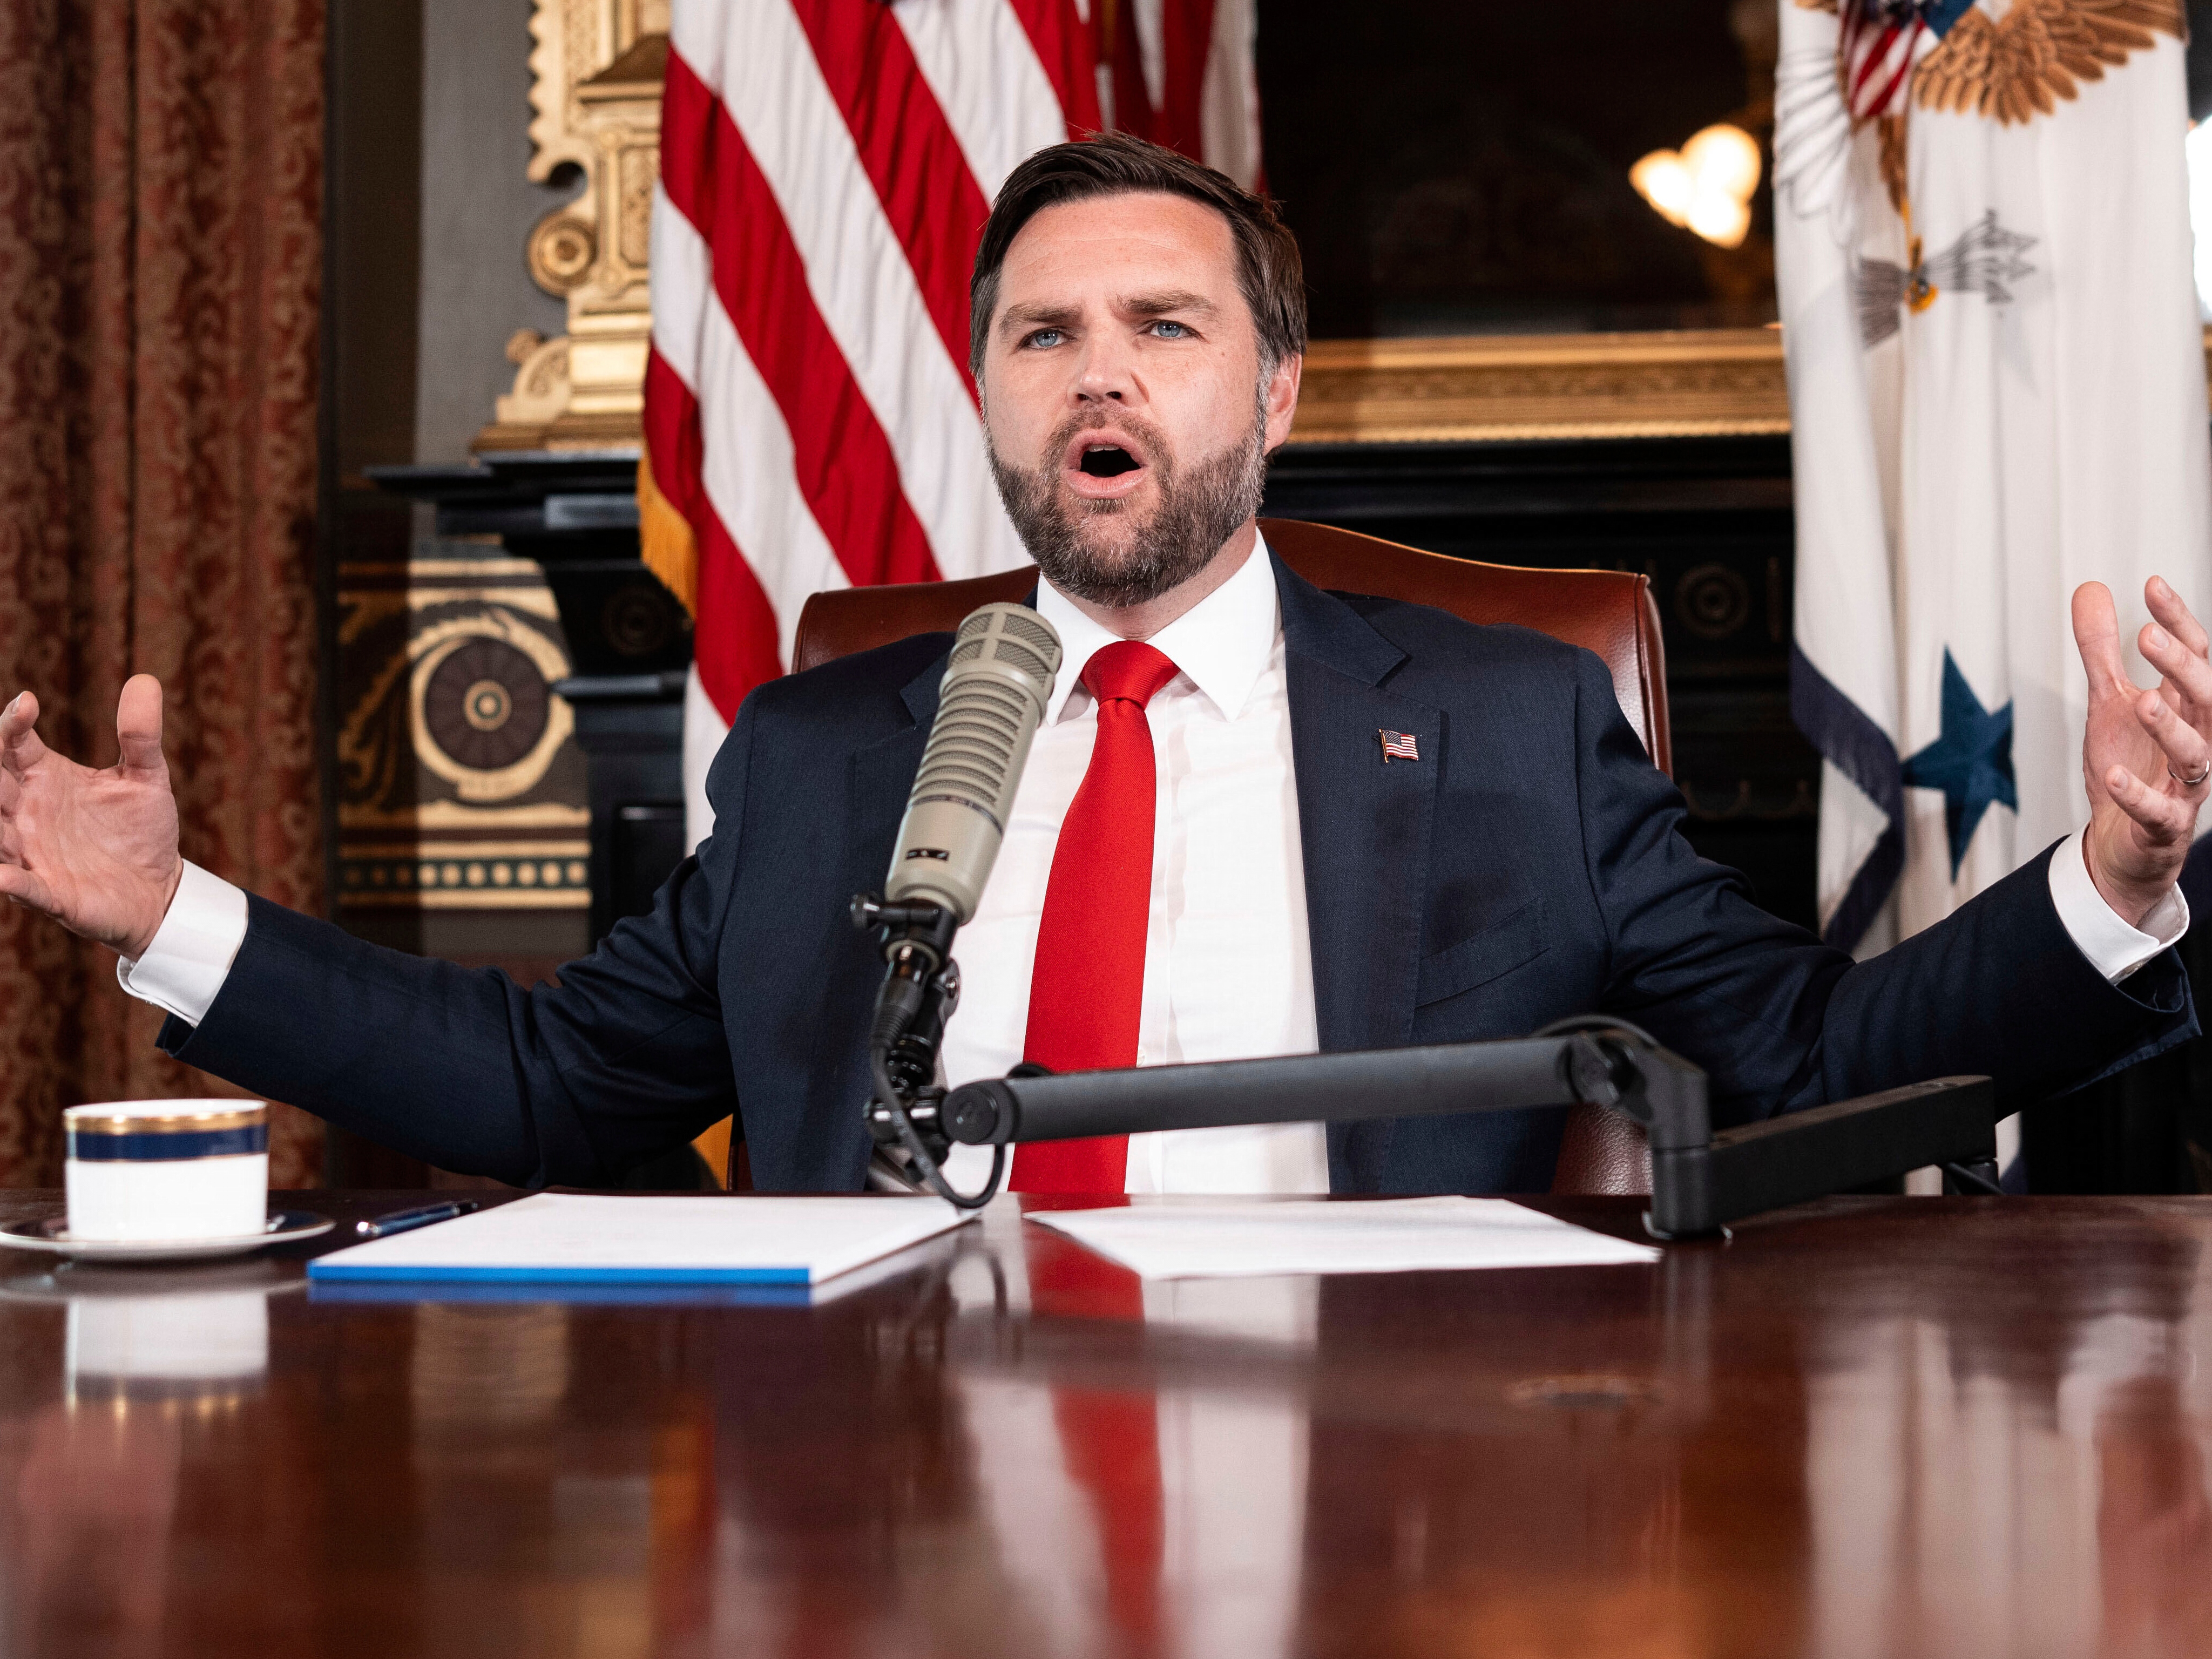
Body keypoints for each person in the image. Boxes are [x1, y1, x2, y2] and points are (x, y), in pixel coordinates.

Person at [1, 134, 2207, 1194]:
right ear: (984, 398)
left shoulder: (1517, 733)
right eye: (1044, 334)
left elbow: (1814, 1052)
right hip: (885, 1485)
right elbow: (550, 1089)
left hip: (1375, 1498)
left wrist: (2104, 872)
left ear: (1273, 389)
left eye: (1164, 326)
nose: (1100, 375)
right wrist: (170, 918)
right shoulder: (825, 750)